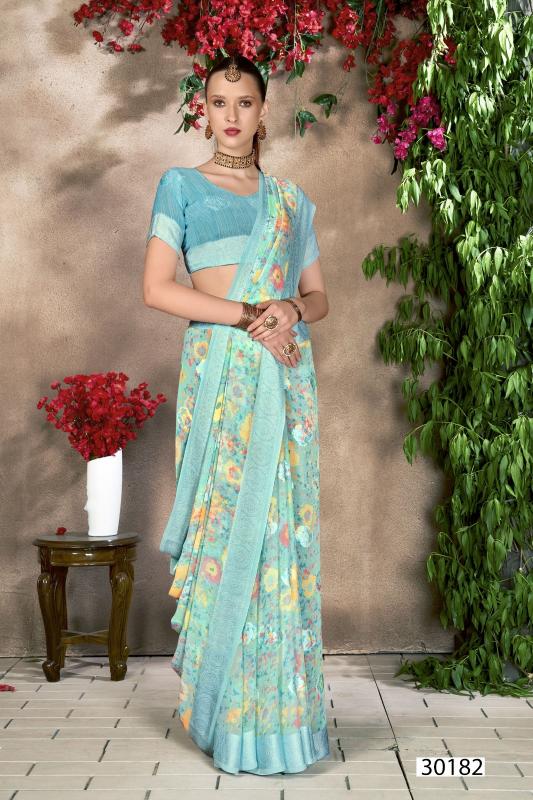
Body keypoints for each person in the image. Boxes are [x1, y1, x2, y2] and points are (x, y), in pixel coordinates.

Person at [143, 52, 330, 775]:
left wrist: (291, 308)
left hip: (282, 382)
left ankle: (279, 722)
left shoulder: (291, 201)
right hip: (219, 376)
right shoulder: (181, 186)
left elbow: (318, 297)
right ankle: (225, 714)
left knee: (277, 537)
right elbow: (158, 290)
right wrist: (251, 313)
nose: (230, 115)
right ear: (203, 110)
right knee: (229, 531)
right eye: (218, 102)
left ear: (262, 111)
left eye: (244, 102)